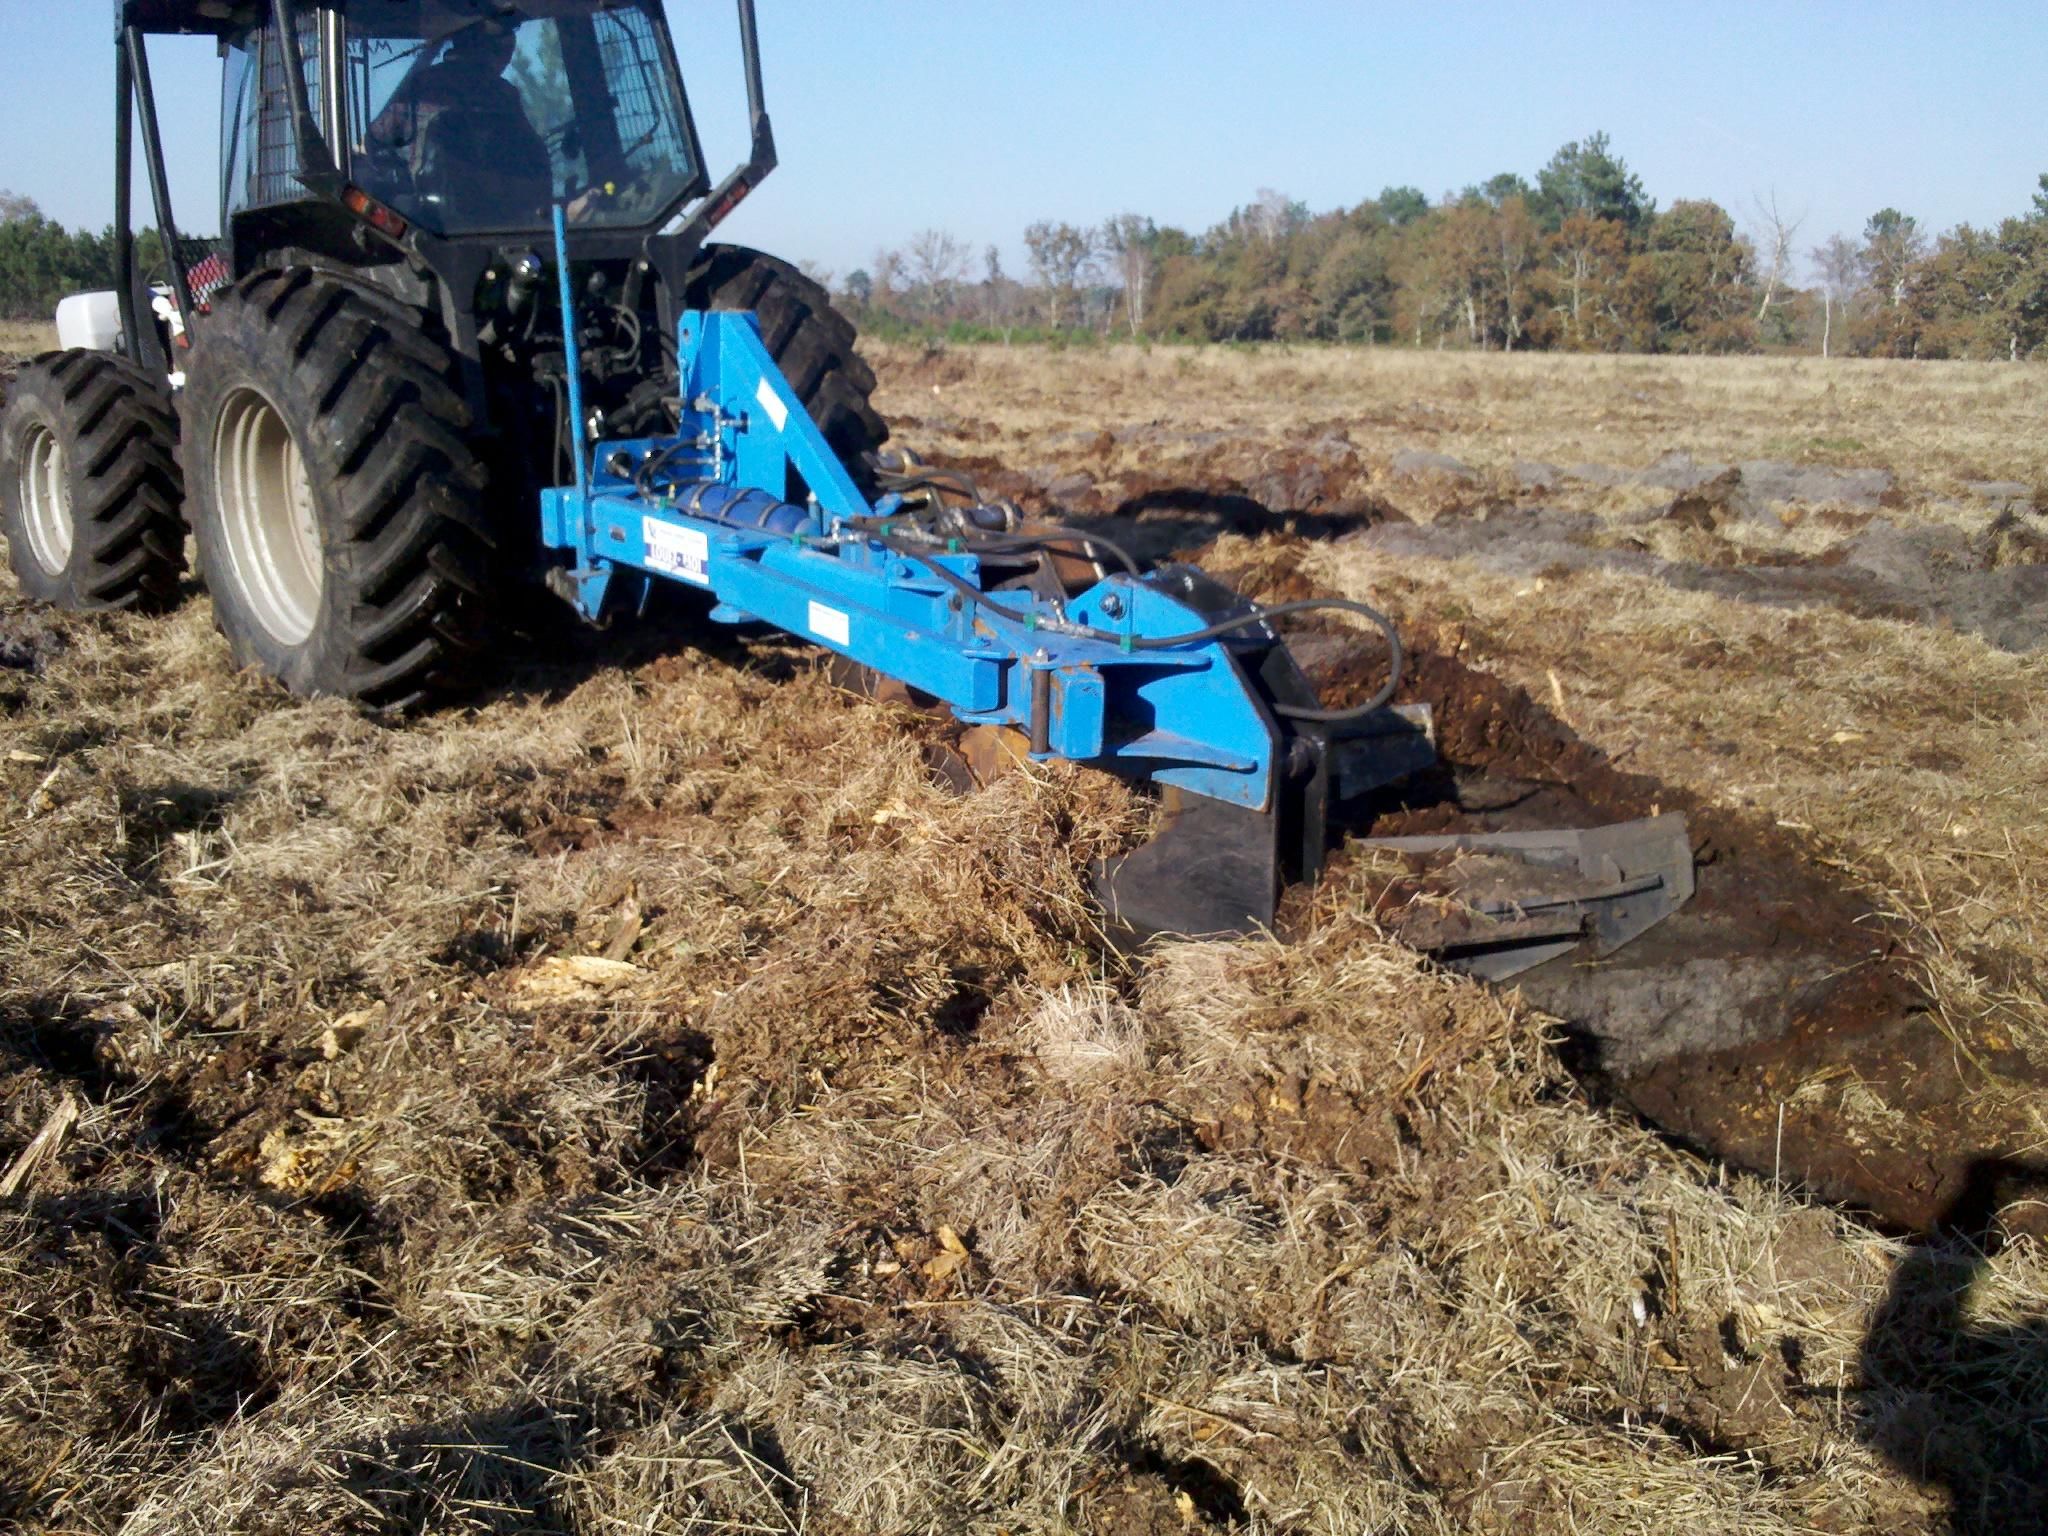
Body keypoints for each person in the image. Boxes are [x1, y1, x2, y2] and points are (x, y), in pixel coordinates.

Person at [367, 18, 554, 228]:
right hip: (489, 213)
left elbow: (373, 143)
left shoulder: (421, 84)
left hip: (425, 217)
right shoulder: (501, 94)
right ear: (489, 49)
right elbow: (534, 165)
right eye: (505, 49)